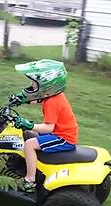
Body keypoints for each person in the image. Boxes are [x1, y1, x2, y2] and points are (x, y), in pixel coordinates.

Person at [9, 59, 78, 192]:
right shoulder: (54, 95)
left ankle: (29, 180)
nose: (32, 86)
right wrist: (21, 99)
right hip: (61, 132)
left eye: (34, 84)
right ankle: (31, 165)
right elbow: (38, 98)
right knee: (29, 135)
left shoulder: (52, 103)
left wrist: (27, 124)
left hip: (63, 138)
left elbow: (48, 128)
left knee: (29, 144)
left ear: (46, 85)